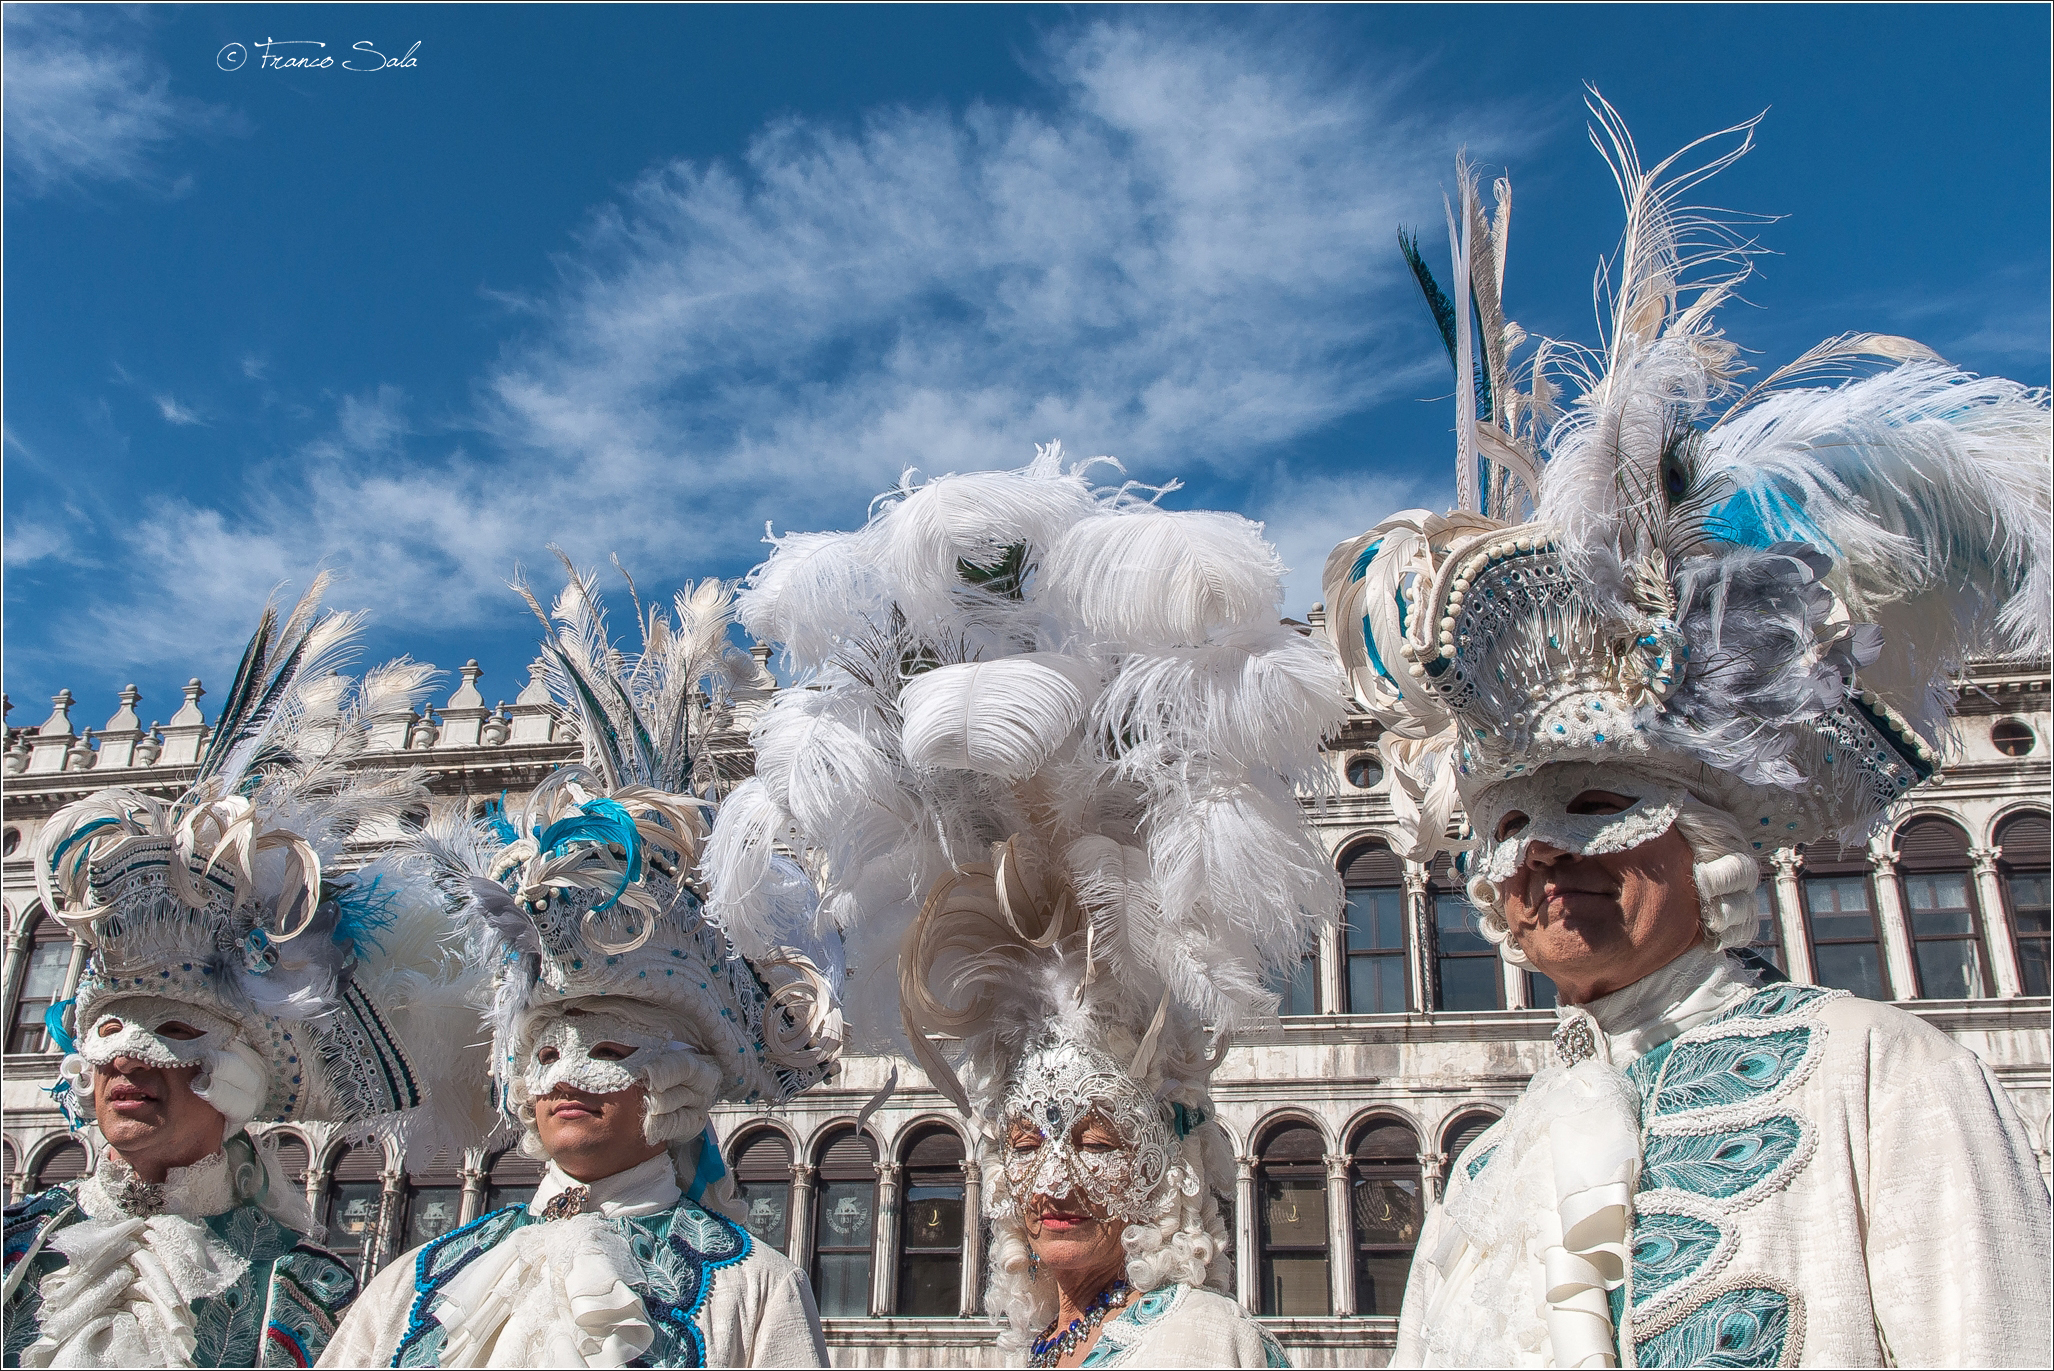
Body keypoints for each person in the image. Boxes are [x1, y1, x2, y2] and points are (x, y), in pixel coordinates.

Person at [1324, 99, 2054, 1367]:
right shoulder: (1487, 1171)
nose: (1539, 861)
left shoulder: (1884, 1080)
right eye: (1502, 831)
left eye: (1598, 809)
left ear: (1706, 841)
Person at [705, 449, 1339, 1366]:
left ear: (1160, 1161)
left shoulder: (1199, 1340)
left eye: (1093, 1141)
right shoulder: (1044, 1345)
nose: (1055, 1178)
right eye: (1027, 1142)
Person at [320, 566, 843, 1369]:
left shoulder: (750, 1286)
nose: (566, 1076)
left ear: (678, 1082)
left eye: (608, 1050)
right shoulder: (412, 1284)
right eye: (546, 1051)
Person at [4, 581, 466, 1368]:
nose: (127, 1061)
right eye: (110, 1030)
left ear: (241, 1074)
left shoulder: (305, 1288)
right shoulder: (17, 1251)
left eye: (175, 1033)